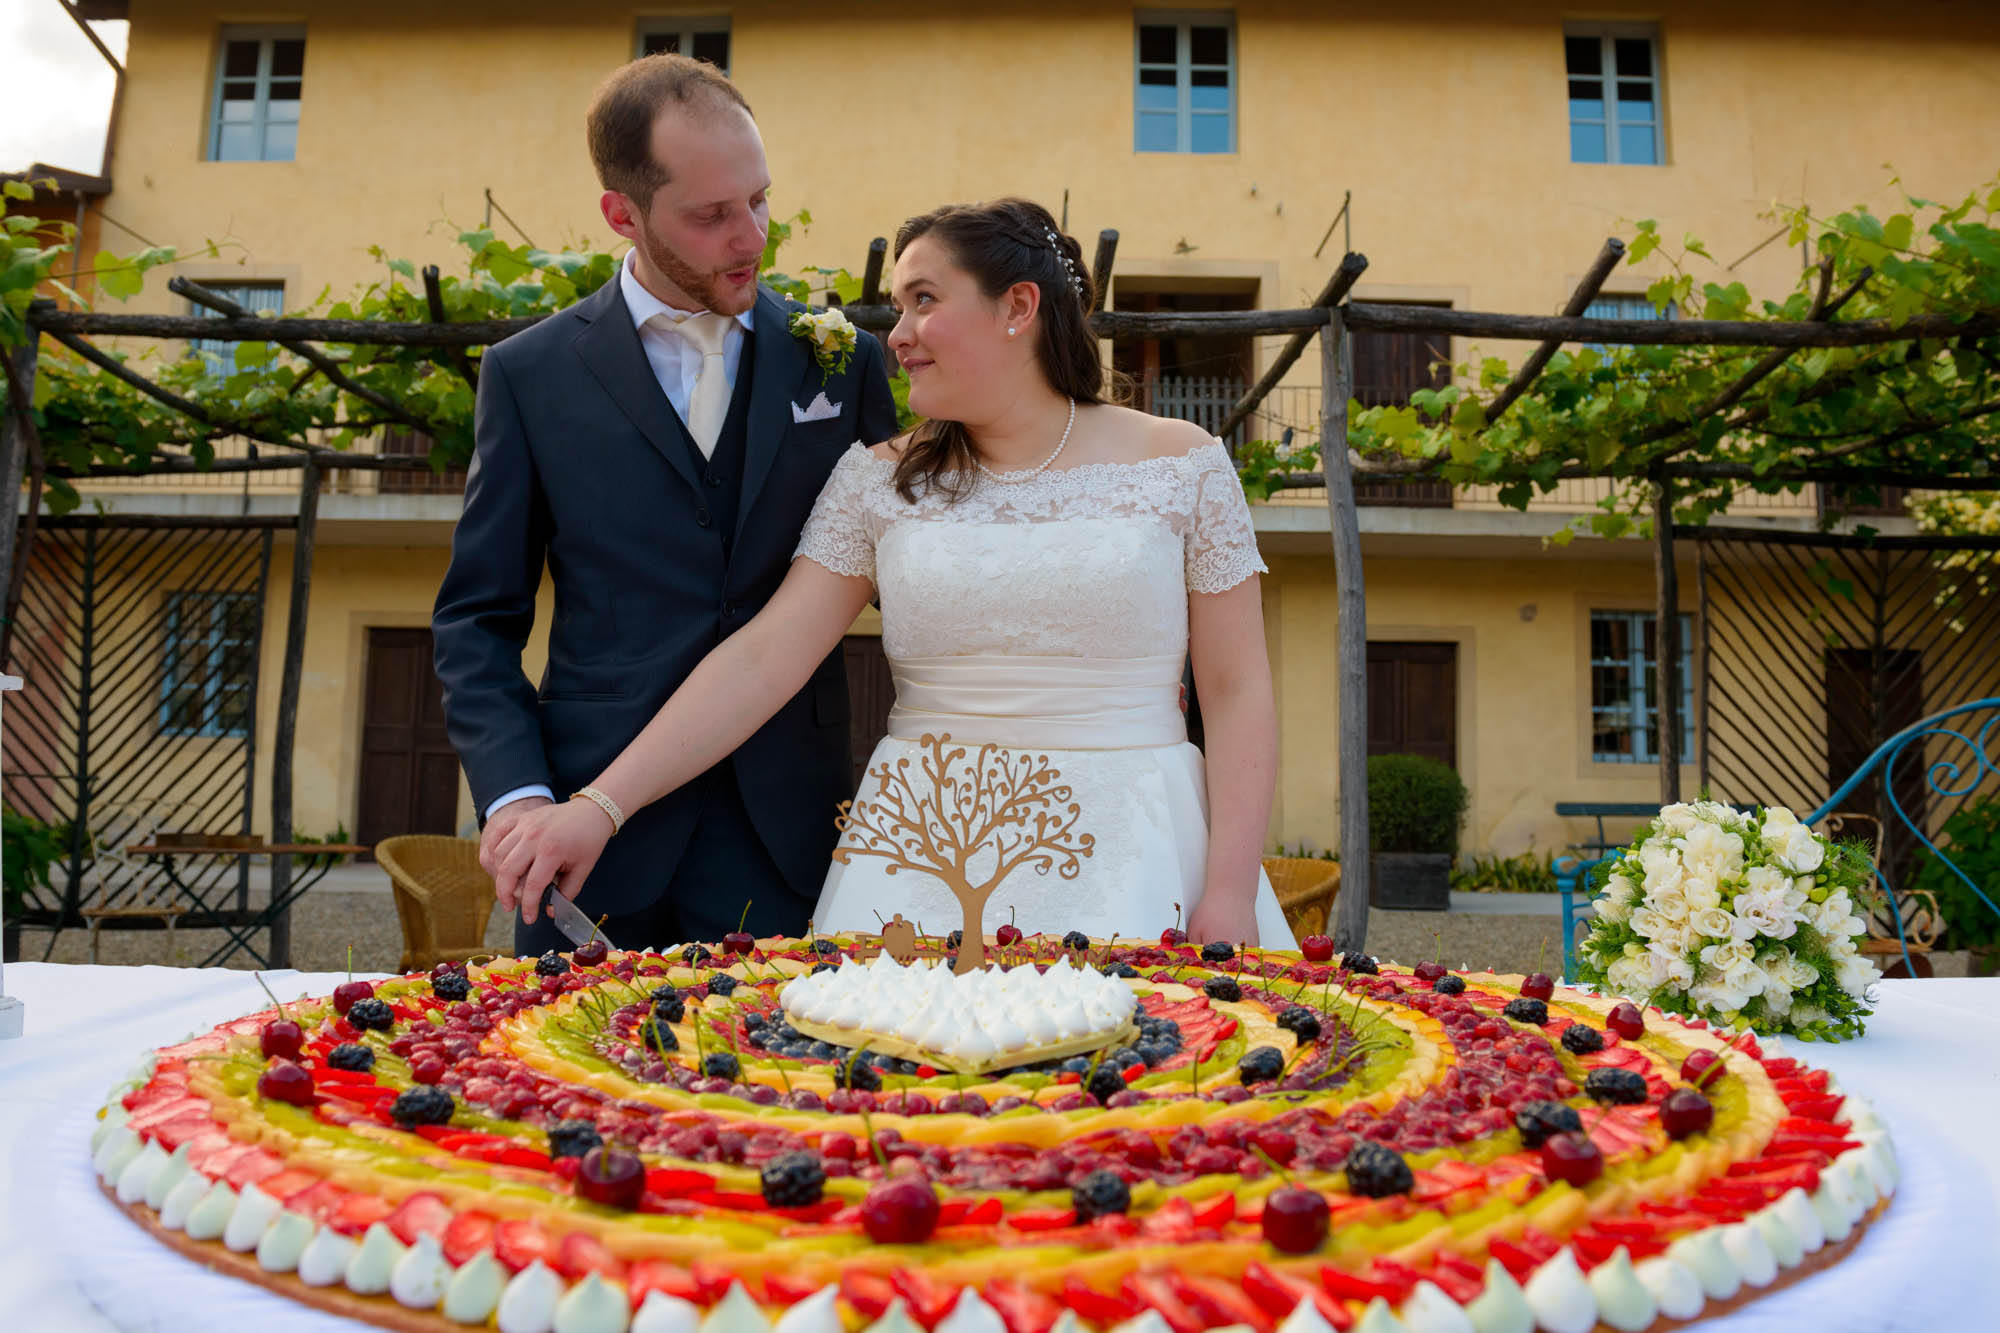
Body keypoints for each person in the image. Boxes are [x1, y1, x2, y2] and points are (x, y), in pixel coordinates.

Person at [490, 197, 1294, 948]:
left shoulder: (1181, 463)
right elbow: (764, 657)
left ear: (1018, 307)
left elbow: (1235, 688)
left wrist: (1225, 889)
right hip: (920, 861)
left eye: (924, 300)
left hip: (1147, 854)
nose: (897, 334)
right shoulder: (877, 481)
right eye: (897, 307)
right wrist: (599, 807)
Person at [431, 53, 899, 956]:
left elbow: (910, 580)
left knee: (777, 1090)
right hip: (589, 842)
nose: (752, 236)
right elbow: (477, 619)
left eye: (759, 200)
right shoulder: (529, 375)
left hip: (787, 835)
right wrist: (519, 796)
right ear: (623, 212)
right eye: (712, 215)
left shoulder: (842, 362)